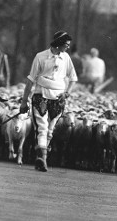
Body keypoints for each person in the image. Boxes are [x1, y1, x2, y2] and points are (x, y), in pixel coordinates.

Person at [19, 30, 78, 172]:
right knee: (42, 128)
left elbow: (73, 78)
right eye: (66, 44)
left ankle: (42, 154)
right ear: (58, 44)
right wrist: (24, 101)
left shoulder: (66, 58)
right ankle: (42, 158)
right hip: (41, 96)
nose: (68, 47)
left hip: (58, 99)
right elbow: (30, 80)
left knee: (50, 130)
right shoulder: (41, 57)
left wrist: (67, 93)